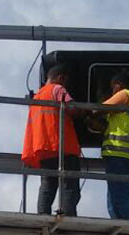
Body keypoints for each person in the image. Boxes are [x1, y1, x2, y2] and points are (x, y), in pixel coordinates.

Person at [21, 64, 82, 216]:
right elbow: (72, 107)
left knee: (48, 185)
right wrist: (84, 112)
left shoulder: (37, 97)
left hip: (43, 148)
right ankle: (68, 217)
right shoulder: (57, 89)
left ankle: (42, 216)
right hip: (62, 146)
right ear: (61, 78)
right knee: (70, 186)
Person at [100, 72, 129, 220]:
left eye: (113, 89)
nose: (112, 92)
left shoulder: (126, 94)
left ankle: (128, 224)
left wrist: (88, 111)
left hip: (118, 151)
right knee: (119, 192)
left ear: (118, 85)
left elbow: (100, 108)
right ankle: (123, 222)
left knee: (119, 195)